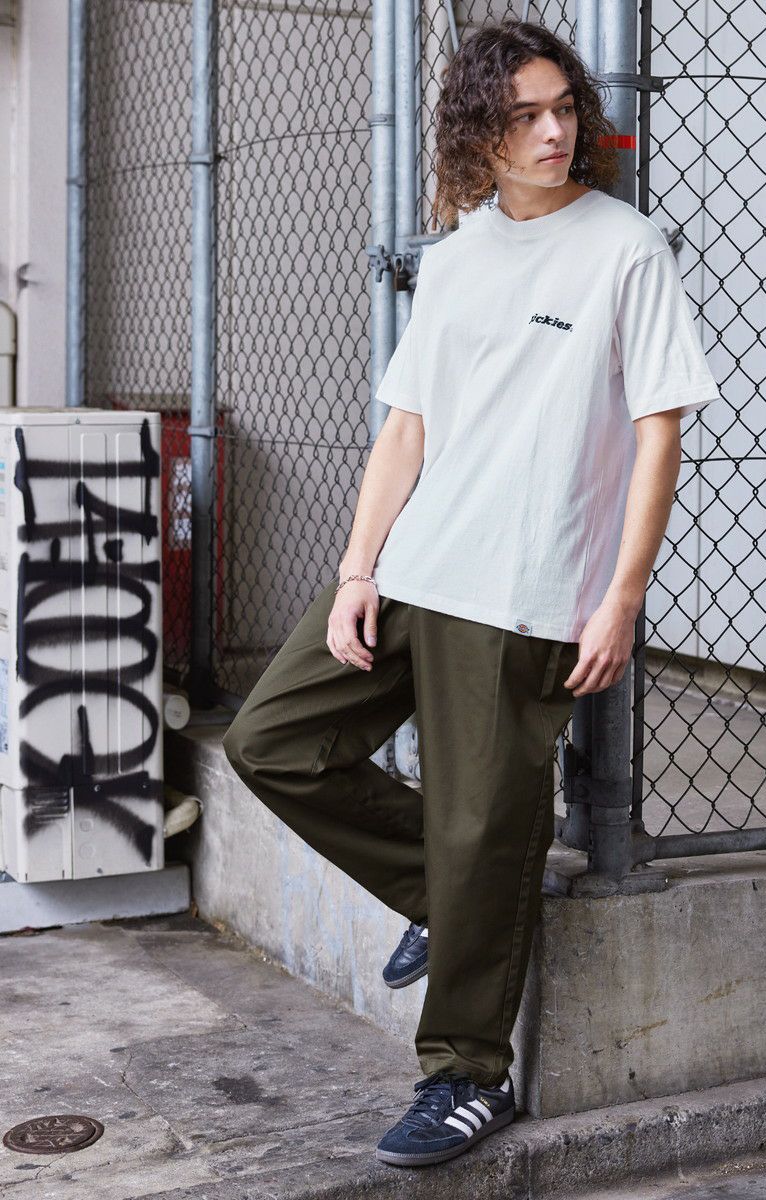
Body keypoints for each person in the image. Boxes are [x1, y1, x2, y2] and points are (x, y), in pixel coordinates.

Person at [222, 18, 721, 1169]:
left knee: (479, 822)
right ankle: (446, 895)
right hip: (413, 570)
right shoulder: (454, 256)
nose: (553, 133)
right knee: (272, 742)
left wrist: (622, 597)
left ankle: (464, 1078)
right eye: (524, 115)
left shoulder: (625, 248)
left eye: (563, 109)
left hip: (523, 590)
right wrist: (356, 571)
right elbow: (406, 428)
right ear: (477, 131)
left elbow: (658, 433)